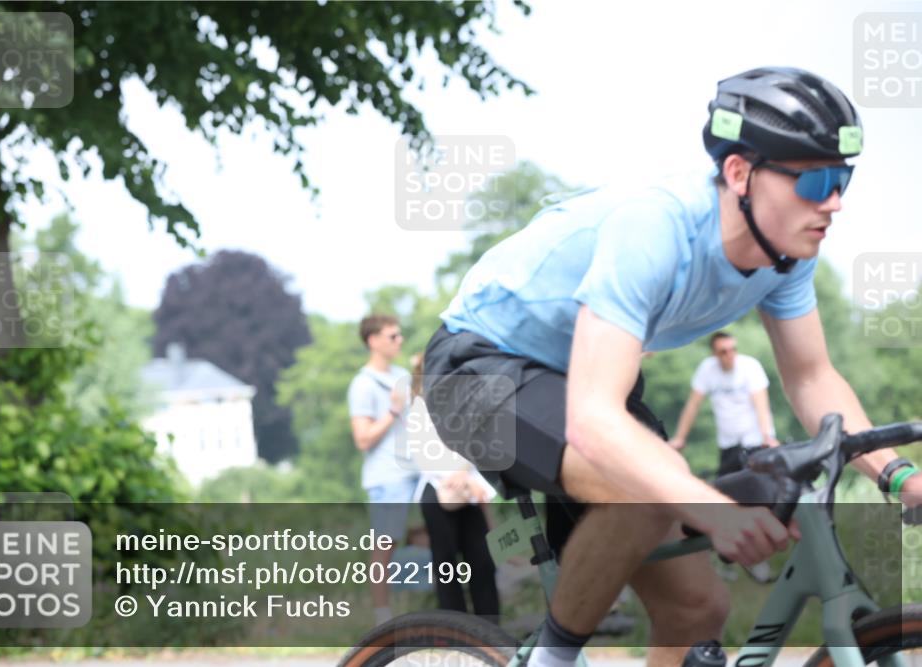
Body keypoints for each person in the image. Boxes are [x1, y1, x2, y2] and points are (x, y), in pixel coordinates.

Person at [421, 67, 922, 667]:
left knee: (697, 609)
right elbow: (592, 422)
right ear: (740, 173)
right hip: (480, 368)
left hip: (584, 380)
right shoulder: (654, 228)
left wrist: (897, 475)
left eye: (844, 178)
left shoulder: (785, 254)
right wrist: (709, 510)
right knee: (650, 485)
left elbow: (812, 377)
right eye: (815, 180)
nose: (835, 202)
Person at [405, 353, 500, 623]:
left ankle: (490, 634)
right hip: (439, 492)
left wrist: (466, 475)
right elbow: (425, 455)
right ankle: (456, 632)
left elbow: (477, 442)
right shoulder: (419, 409)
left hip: (469, 493)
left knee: (482, 562)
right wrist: (458, 474)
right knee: (447, 567)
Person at [347, 314, 419, 625]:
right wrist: (392, 409)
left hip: (417, 472)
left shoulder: (402, 374)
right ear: (373, 341)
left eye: (400, 335)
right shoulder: (362, 385)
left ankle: (433, 604)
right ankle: (382, 616)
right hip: (387, 478)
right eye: (392, 336)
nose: (399, 341)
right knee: (385, 545)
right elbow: (363, 439)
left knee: (429, 535)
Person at [669, 331, 780, 477]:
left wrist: (767, 436)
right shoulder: (707, 369)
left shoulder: (750, 366)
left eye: (733, 349)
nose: (730, 355)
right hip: (728, 443)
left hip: (756, 441)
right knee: (726, 488)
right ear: (714, 354)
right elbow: (692, 406)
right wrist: (680, 438)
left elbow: (761, 406)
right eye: (723, 352)